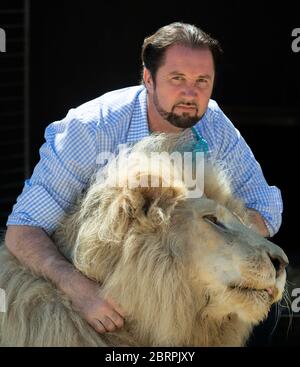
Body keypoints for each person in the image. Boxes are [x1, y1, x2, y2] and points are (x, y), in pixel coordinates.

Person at [5, 22, 282, 336]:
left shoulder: (214, 125)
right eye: (177, 79)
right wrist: (80, 291)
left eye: (203, 81)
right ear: (148, 79)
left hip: (185, 304)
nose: (191, 94)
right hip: (98, 303)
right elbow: (23, 231)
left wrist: (223, 242)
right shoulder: (90, 128)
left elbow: (266, 206)